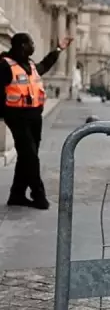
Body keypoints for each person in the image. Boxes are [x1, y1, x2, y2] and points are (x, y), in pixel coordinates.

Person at [2, 33, 71, 209]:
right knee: (30, 157)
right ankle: (38, 195)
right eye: (31, 43)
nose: (33, 46)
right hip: (17, 117)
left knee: (27, 157)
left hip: (34, 117)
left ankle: (17, 194)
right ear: (22, 46)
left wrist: (59, 49)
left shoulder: (30, 65)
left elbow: (45, 65)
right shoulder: (5, 65)